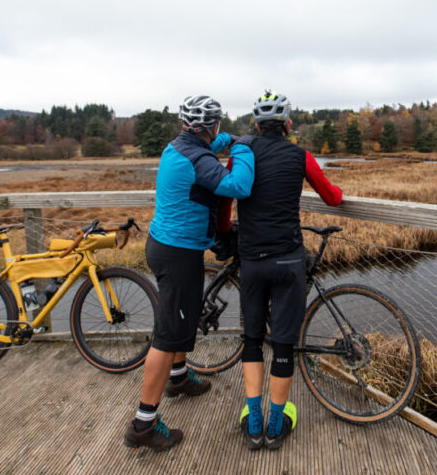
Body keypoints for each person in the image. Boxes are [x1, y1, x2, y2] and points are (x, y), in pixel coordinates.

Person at [123, 95, 254, 452]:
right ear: (208, 125)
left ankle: (178, 379)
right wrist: (244, 151)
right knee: (167, 336)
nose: (220, 131)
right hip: (178, 254)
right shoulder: (198, 159)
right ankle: (142, 424)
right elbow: (238, 186)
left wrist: (230, 140)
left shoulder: (180, 147)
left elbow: (215, 144)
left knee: (181, 319)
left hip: (170, 247)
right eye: (218, 125)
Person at [218, 91, 343, 451]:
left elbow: (225, 201)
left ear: (256, 126)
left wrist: (225, 235)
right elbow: (332, 197)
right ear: (288, 125)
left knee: (253, 341)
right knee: (284, 343)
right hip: (288, 260)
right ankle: (276, 425)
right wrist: (341, 193)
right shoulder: (300, 156)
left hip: (252, 261)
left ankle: (253, 423)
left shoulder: (242, 154)